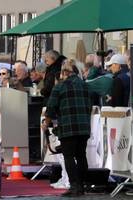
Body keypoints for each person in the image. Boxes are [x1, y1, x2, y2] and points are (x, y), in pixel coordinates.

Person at [44, 59, 92, 197]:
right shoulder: (85, 86)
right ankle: (81, 186)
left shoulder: (60, 87)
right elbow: (89, 106)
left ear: (65, 72)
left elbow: (51, 108)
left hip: (68, 127)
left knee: (69, 156)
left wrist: (46, 123)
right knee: (82, 156)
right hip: (83, 127)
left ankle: (74, 186)